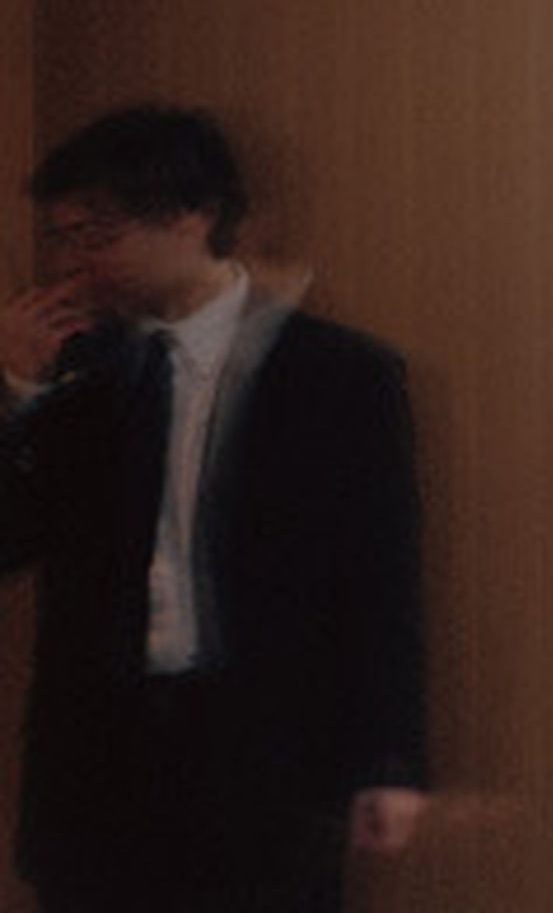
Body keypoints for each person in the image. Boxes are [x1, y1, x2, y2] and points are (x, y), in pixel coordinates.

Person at [0, 105, 427, 913]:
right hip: (95, 775)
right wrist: (15, 395)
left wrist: (388, 759)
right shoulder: (74, 369)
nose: (76, 264)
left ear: (192, 215)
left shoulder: (340, 376)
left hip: (265, 766)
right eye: (62, 237)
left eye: (98, 233)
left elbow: (381, 581)